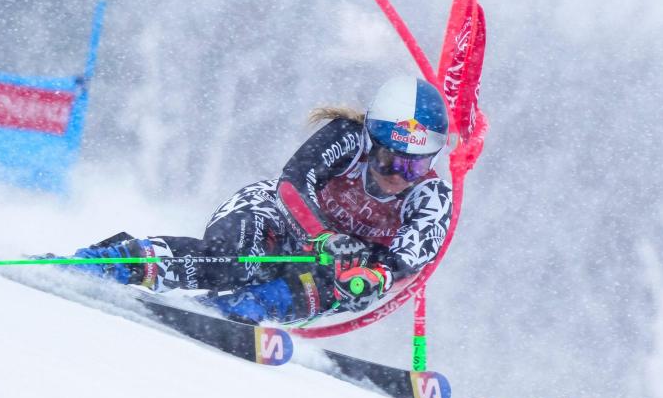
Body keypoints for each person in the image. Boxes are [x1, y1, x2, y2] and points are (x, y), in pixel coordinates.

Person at [55, 75, 452, 325]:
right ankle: (115, 262)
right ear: (372, 140)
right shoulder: (348, 137)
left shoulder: (431, 196)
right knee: (240, 259)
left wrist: (376, 275)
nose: (397, 176)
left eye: (414, 166)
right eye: (387, 160)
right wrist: (322, 236)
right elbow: (293, 185)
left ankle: (248, 309)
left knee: (349, 283)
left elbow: (408, 258)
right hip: (277, 214)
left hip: (330, 263)